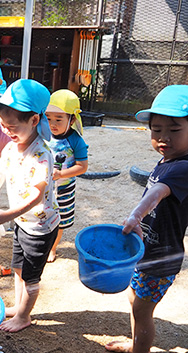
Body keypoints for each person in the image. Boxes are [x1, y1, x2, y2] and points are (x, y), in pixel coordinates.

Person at [105, 85, 188, 353]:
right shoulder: (169, 159)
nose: (164, 137)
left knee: (142, 311)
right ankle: (136, 344)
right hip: (147, 250)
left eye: (174, 130)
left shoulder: (183, 167)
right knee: (134, 299)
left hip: (161, 258)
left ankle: (139, 350)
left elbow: (157, 192)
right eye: (157, 129)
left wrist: (136, 214)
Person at [0, 79, 60, 332]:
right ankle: (18, 306)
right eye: (3, 126)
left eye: (12, 126)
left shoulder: (40, 155)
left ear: (34, 120)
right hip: (21, 221)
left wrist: (5, 216)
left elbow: (36, 197)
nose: (6, 131)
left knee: (31, 277)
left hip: (40, 226)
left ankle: (24, 316)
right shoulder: (12, 147)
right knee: (17, 267)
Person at [45, 89, 88, 262]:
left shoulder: (76, 141)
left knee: (59, 219)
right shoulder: (45, 134)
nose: (52, 124)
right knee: (43, 215)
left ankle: (52, 248)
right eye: (48, 118)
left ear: (72, 120)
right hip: (44, 185)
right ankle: (42, 244)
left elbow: (82, 166)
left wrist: (62, 173)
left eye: (58, 119)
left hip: (64, 188)